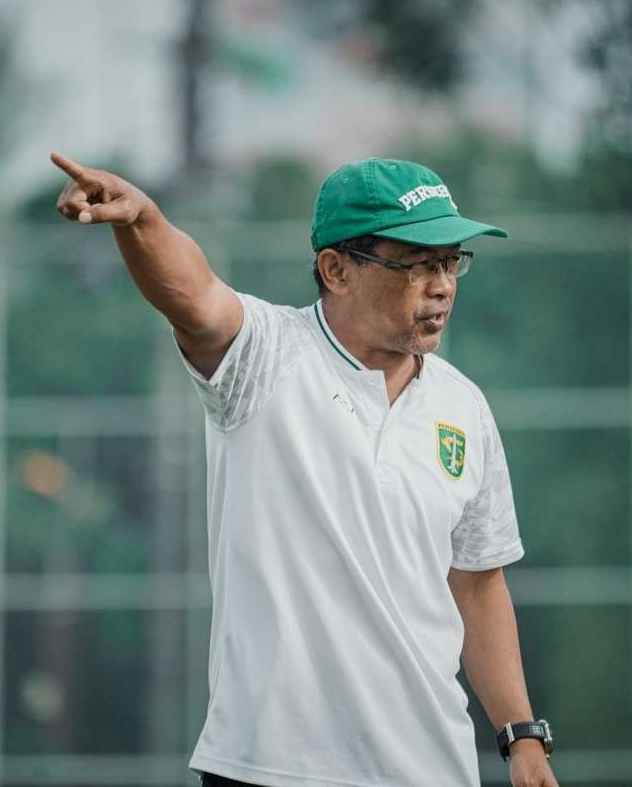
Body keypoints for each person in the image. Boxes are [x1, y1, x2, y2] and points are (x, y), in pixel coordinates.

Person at [52, 152, 558, 787]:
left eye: (451, 260)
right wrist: (142, 222)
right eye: (417, 262)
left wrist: (520, 737)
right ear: (336, 269)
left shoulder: (464, 407)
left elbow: (479, 586)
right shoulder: (268, 354)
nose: (442, 283)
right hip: (271, 769)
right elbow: (196, 297)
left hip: (430, 768)